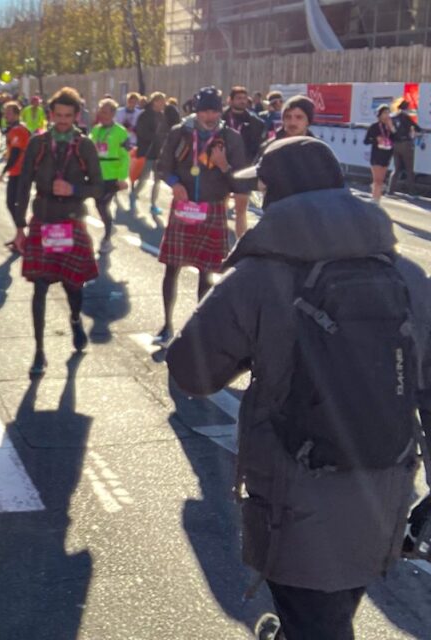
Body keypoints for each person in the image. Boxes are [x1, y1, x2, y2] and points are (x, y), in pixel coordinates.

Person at [167, 136, 431, 640]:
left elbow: (191, 372)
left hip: (293, 490)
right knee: (331, 609)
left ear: (275, 196)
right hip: (386, 487)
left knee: (314, 619)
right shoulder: (407, 276)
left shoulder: (261, 276)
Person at [14, 87, 104, 376]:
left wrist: (75, 188)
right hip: (43, 219)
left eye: (68, 116)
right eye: (58, 115)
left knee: (73, 286)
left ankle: (76, 319)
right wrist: (19, 226)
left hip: (72, 219)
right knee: (39, 286)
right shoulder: (38, 144)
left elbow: (99, 187)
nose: (63, 120)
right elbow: (23, 183)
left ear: (76, 115)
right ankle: (39, 351)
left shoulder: (85, 145)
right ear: (51, 115)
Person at [154, 86, 249, 345]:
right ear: (196, 111)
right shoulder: (179, 133)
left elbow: (241, 181)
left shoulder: (231, 138)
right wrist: (174, 183)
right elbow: (162, 166)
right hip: (183, 209)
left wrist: (224, 166)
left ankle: (199, 327)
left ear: (221, 111)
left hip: (213, 209)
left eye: (214, 110)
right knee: (171, 268)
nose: (209, 116)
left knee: (207, 273)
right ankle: (167, 323)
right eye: (205, 110)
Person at [89, 98, 131, 253]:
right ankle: (109, 225)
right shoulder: (96, 130)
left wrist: (122, 177)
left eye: (106, 112)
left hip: (112, 174)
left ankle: (107, 238)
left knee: (103, 204)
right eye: (101, 111)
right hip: (96, 174)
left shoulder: (120, 132)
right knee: (97, 204)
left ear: (113, 114)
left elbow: (125, 157)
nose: (102, 115)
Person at [223, 86, 266, 222]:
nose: (242, 101)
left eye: (244, 99)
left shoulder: (256, 123)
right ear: (230, 100)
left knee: (241, 212)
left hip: (243, 170)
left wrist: (252, 166)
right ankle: (219, 240)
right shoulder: (220, 119)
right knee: (220, 209)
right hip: (221, 168)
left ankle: (241, 241)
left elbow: (260, 147)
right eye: (238, 98)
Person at [0, 101, 31, 252]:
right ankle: (20, 235)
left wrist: (4, 170)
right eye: (5, 113)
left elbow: (17, 152)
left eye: (9, 113)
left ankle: (22, 236)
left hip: (21, 172)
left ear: (17, 114)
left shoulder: (18, 130)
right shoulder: (15, 129)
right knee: (14, 203)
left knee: (14, 203)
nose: (6, 116)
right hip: (18, 171)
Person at [132, 91, 169, 216]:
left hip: (159, 153)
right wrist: (155, 137)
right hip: (147, 152)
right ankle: (134, 195)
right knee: (143, 178)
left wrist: (164, 141)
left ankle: (153, 205)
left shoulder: (162, 116)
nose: (164, 104)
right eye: (162, 101)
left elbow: (165, 132)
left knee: (158, 180)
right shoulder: (144, 115)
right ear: (155, 102)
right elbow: (141, 132)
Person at [388, 100, 425, 197]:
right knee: (409, 169)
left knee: (396, 169)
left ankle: (390, 192)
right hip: (406, 144)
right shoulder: (405, 117)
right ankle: (412, 193)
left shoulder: (392, 117)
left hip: (395, 145)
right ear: (406, 108)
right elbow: (417, 128)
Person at [364, 105, 394, 203]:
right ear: (380, 115)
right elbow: (366, 141)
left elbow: (396, 138)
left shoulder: (390, 127)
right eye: (385, 113)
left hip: (387, 154)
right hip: (376, 155)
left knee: (381, 180)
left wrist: (392, 128)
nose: (387, 115)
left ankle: (377, 198)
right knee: (377, 179)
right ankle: (375, 200)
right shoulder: (374, 126)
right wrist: (376, 140)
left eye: (388, 113)